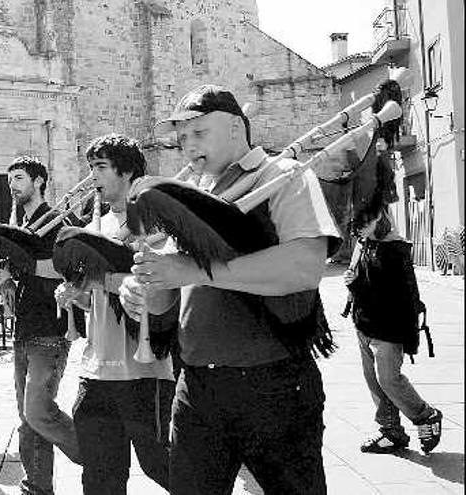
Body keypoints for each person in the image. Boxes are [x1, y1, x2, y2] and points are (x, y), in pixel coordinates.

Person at [119, 85, 340, 494]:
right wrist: (146, 290)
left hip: (273, 384)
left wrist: (199, 271)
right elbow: (174, 287)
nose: (188, 146)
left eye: (199, 133)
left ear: (236, 127)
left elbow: (305, 267)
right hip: (198, 387)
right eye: (182, 138)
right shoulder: (194, 194)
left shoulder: (282, 175)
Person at [54, 134, 177, 494]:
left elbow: (161, 285)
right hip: (95, 373)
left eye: (101, 167)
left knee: (163, 468)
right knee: (99, 479)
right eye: (92, 167)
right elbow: (94, 299)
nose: (93, 176)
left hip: (145, 374)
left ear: (127, 172)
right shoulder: (93, 229)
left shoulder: (158, 224)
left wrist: (103, 278)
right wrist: (76, 295)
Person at [0, 156, 80, 495]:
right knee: (27, 420)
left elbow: (69, 270)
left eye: (19, 178)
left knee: (38, 412)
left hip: (51, 332)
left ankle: (98, 455)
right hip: (24, 330)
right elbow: (30, 278)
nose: (13, 185)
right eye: (10, 179)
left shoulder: (58, 221)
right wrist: (9, 282)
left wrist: (24, 266)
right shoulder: (21, 224)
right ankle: (37, 487)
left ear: (39, 181)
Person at [345, 206, 443, 454]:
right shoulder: (365, 243)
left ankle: (426, 415)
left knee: (389, 380)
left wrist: (355, 285)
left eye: (362, 223)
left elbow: (393, 296)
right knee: (374, 381)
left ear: (378, 217)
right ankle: (390, 432)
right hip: (364, 324)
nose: (358, 229)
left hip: (387, 329)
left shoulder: (394, 250)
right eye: (356, 225)